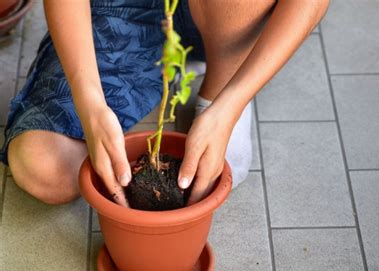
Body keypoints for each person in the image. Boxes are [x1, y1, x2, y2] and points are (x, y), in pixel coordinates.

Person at [0, 0, 329, 207]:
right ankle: (167, 62)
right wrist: (90, 102)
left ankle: (219, 86)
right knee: (43, 166)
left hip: (232, 11)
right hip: (122, 8)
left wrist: (230, 104)